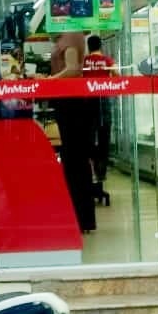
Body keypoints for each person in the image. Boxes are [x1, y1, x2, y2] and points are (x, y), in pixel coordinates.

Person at [50, 31, 96, 232]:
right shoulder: (65, 36)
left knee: (75, 160)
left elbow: (72, 69)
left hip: (72, 103)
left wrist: (49, 80)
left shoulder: (71, 35)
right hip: (67, 101)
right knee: (73, 160)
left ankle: (81, 217)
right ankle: (79, 217)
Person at [83, 34, 117, 205]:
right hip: (103, 102)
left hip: (88, 104)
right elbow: (117, 74)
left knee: (89, 140)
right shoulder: (107, 60)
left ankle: (90, 176)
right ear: (100, 46)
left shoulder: (84, 62)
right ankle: (101, 176)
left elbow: (78, 78)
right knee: (103, 141)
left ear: (88, 47)